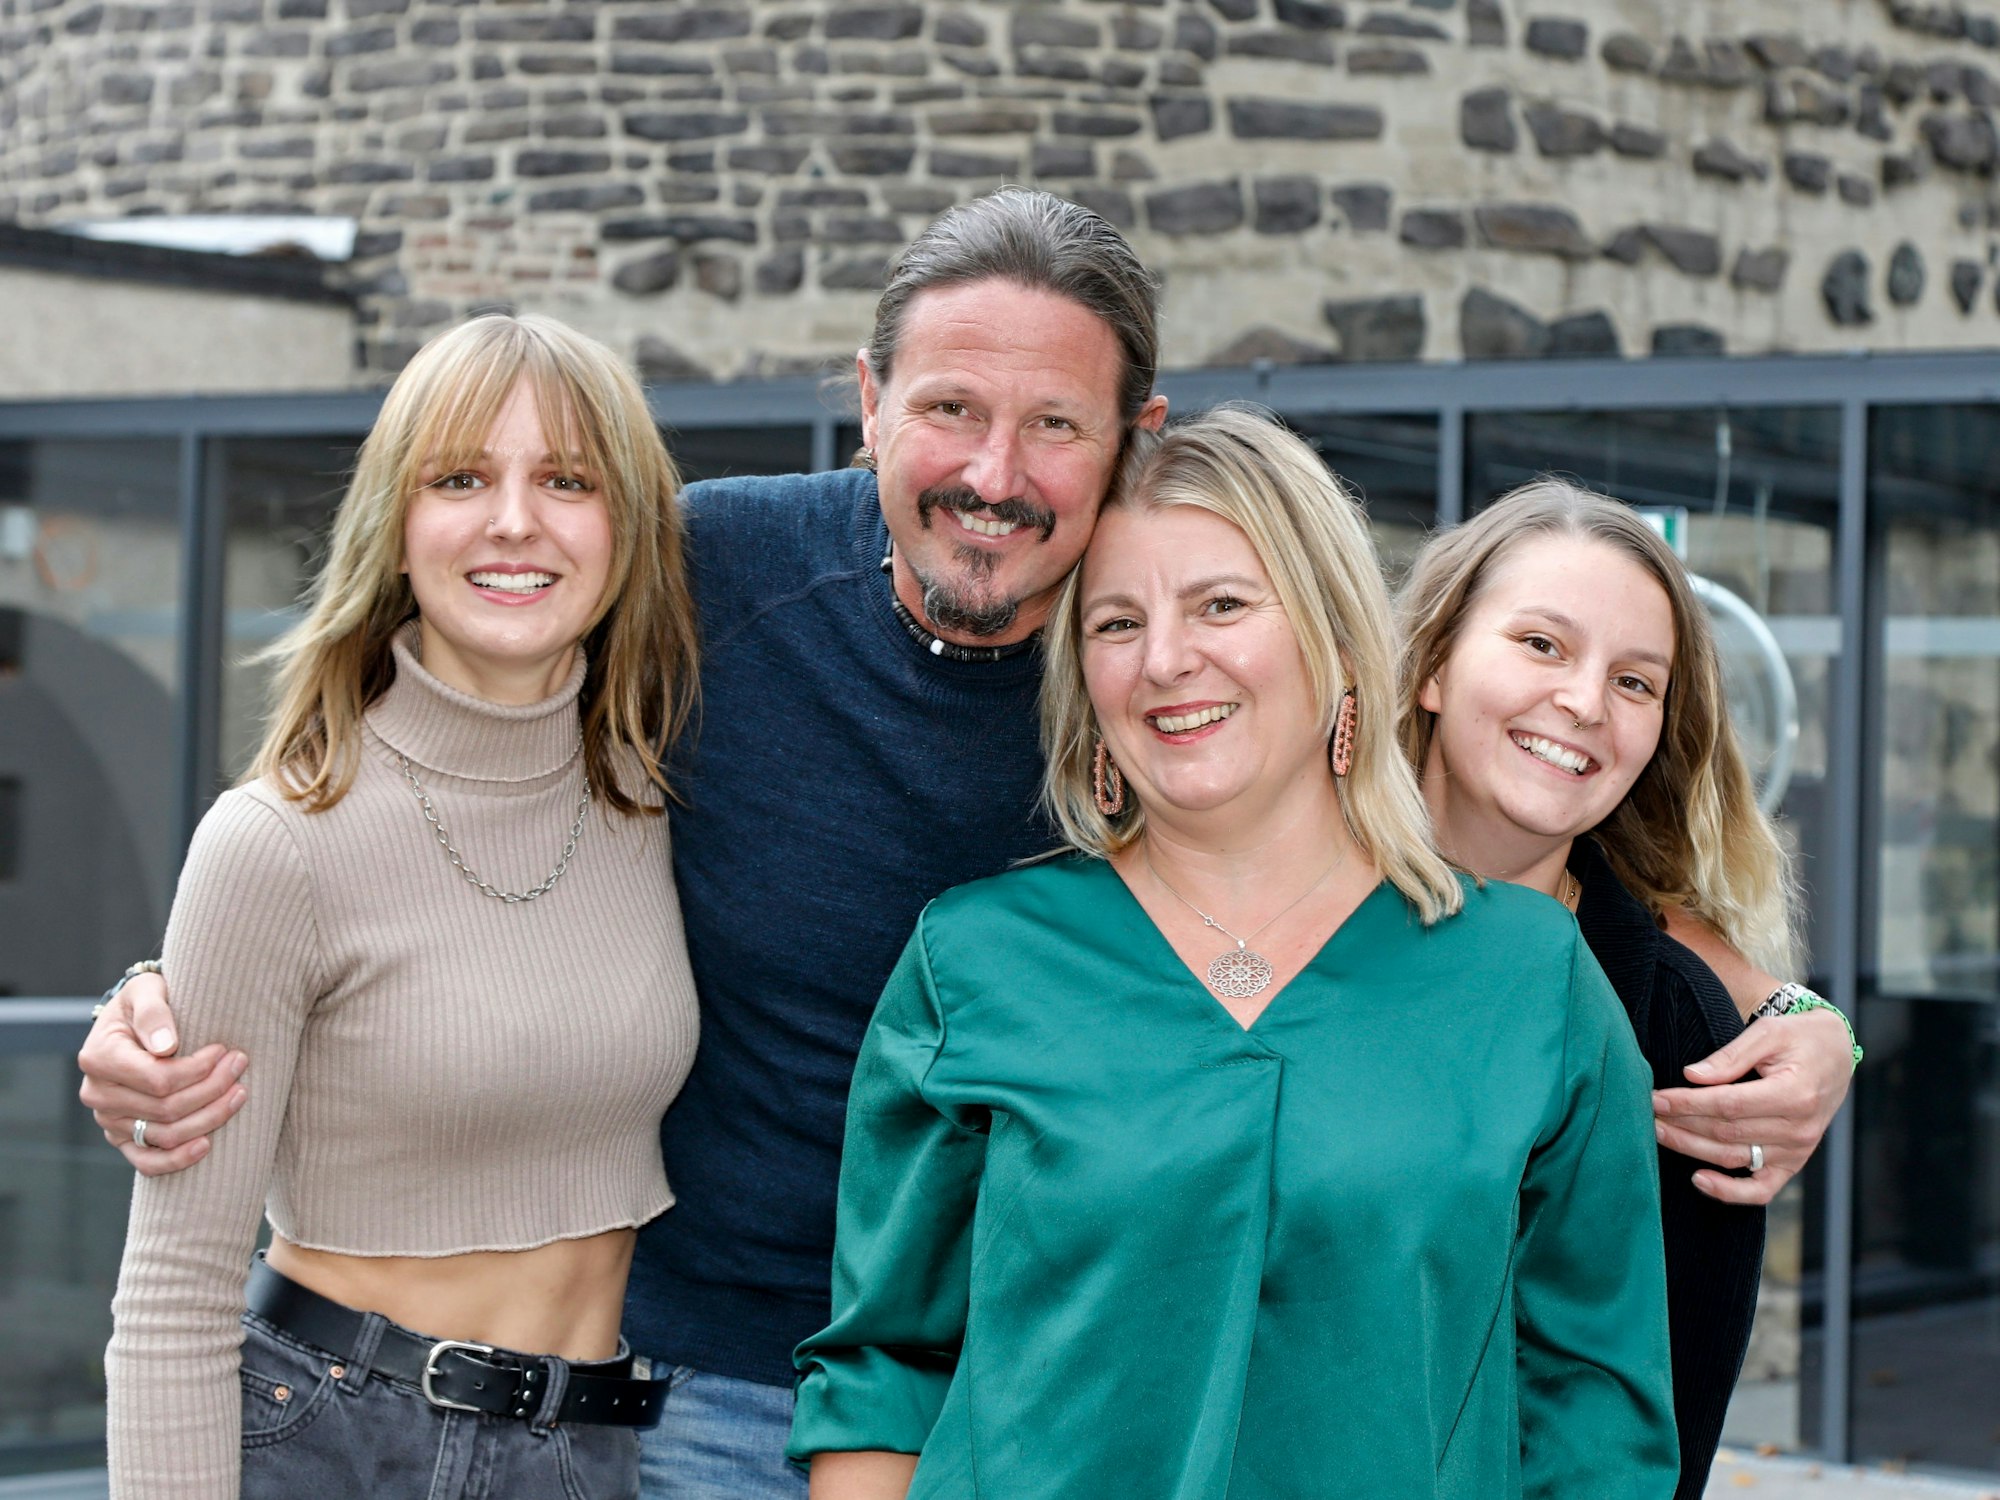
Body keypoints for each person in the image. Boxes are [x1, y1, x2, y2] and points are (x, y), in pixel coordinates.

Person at [76, 188, 1842, 1496]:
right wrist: (192, 970)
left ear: (1132, 441)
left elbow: (1490, 818)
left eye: (1055, 428)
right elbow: (441, 748)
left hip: (1017, 1418)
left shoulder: (1188, 660)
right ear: (868, 399)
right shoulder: (698, 582)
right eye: (948, 412)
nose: (994, 473)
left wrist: (1792, 1014)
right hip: (681, 1392)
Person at [791, 408, 1680, 1499]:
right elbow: (884, 1365)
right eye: (1117, 624)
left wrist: (1804, 1022)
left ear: (1336, 643)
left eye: (1220, 605)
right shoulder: (975, 962)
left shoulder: (1528, 979)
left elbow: (1596, 1407)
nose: (1167, 660)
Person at [103, 313, 701, 1499]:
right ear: (398, 523)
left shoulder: (657, 792)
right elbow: (173, 1295)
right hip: (341, 1440)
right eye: (462, 478)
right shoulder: (275, 839)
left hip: (594, 1448)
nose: (514, 520)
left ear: (626, 528)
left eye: (567, 480)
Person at [1396, 478, 1862, 1498]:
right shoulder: (1268, 928)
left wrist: (1816, 1025)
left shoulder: (1668, 1028)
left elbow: (1664, 1417)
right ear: (1430, 663)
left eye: (1634, 682)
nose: (1581, 703)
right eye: (1540, 644)